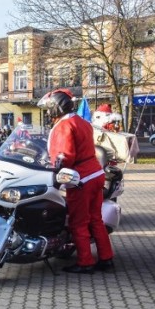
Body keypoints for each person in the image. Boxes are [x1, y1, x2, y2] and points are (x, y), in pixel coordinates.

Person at [37, 88, 114, 274]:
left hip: (81, 178)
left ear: (57, 107)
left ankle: (85, 262)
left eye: (49, 108)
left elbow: (65, 157)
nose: (48, 112)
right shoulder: (81, 121)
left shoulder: (64, 126)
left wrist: (55, 171)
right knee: (95, 219)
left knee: (78, 222)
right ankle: (106, 258)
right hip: (96, 173)